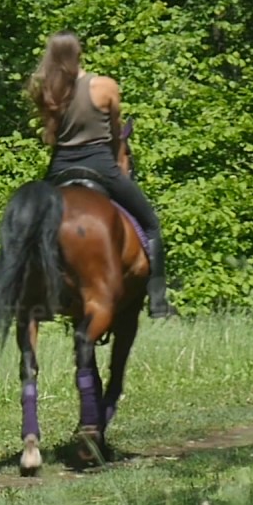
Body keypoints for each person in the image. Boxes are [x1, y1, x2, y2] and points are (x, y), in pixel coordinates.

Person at [28, 30, 177, 319]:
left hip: (59, 168)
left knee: (32, 230)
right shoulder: (104, 85)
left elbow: (49, 138)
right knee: (150, 224)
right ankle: (158, 302)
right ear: (78, 52)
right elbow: (114, 131)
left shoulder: (47, 90)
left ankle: (40, 297)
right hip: (101, 166)